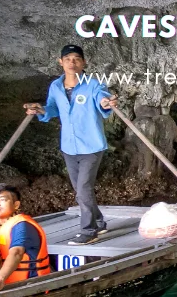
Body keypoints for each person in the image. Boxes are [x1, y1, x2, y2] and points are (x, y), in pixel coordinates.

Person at [23, 44, 117, 245]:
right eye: (68, 59)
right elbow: (53, 108)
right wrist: (40, 110)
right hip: (69, 146)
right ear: (61, 62)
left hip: (91, 145)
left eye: (76, 59)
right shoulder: (56, 87)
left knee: (83, 188)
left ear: (83, 62)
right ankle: (99, 222)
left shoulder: (92, 84)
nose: (72, 63)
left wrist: (106, 103)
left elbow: (102, 98)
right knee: (81, 189)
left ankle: (88, 230)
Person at [0, 184, 51, 293]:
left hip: (27, 288)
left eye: (2, 200)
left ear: (16, 205)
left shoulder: (22, 225)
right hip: (3, 288)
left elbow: (16, 253)